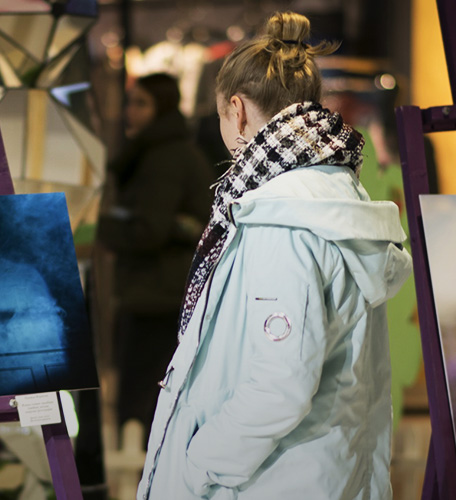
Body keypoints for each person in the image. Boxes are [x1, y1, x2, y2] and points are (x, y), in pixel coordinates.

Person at [137, 12, 412, 499]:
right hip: (322, 474)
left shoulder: (282, 218)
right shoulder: (334, 197)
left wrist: (196, 466)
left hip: (268, 482)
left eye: (221, 115)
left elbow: (278, 386)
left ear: (237, 111)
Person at [97, 73, 214, 434]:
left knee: (144, 402)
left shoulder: (163, 156)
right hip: (163, 291)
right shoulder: (162, 151)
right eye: (130, 101)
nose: (130, 110)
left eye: (141, 103)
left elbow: (150, 228)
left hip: (157, 294)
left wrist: (106, 228)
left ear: (161, 107)